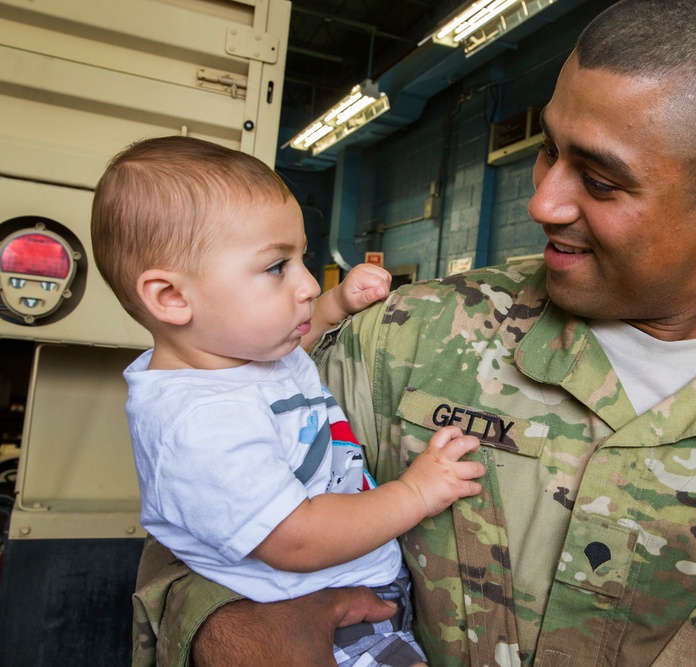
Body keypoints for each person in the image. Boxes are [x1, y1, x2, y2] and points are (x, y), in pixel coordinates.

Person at [132, 1, 696, 665]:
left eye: (600, 180)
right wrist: (223, 629)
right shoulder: (406, 343)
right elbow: (206, 514)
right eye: (548, 149)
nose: (543, 200)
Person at [90, 136, 486, 667]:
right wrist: (416, 492)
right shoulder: (198, 423)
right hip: (314, 620)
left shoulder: (237, 354)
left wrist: (333, 306)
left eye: (303, 258)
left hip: (354, 588)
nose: (303, 283)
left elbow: (287, 356)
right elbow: (294, 539)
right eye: (277, 267)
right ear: (172, 298)